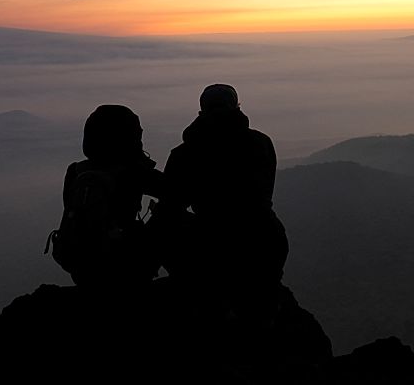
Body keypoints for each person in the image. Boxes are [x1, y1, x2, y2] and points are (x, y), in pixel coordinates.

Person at [159, 84, 288, 323]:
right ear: (237, 107)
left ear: (201, 112)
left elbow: (171, 206)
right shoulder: (261, 143)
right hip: (264, 240)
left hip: (211, 244)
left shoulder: (184, 154)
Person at [47, 104, 163, 288]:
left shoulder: (75, 171)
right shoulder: (134, 172)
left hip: (79, 265)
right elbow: (175, 191)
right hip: (123, 263)